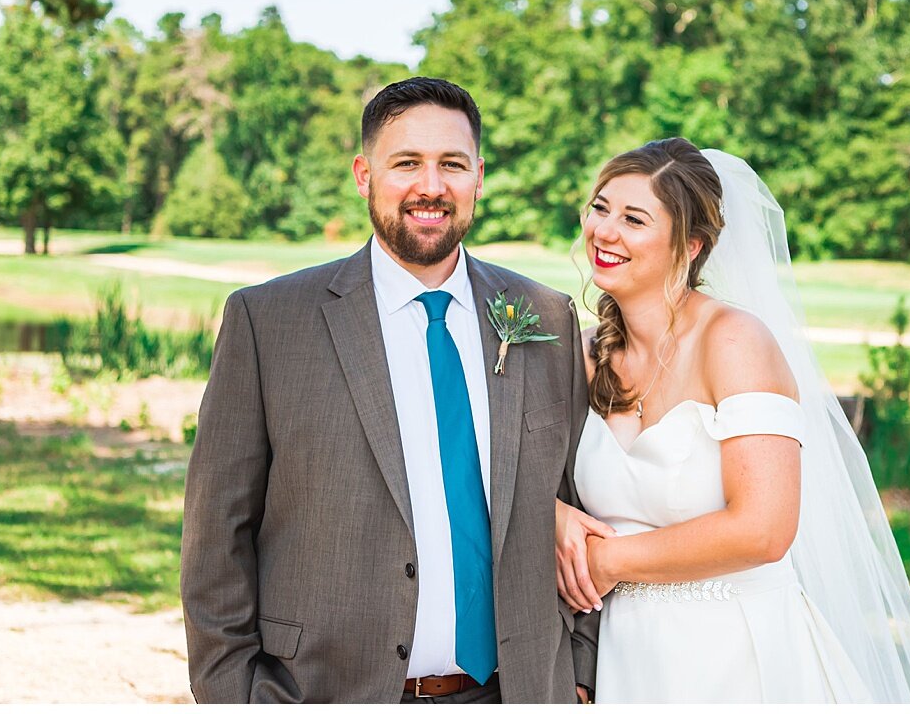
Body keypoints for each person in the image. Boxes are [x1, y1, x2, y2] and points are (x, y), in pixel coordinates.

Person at [181, 77, 598, 703]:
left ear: (478, 176)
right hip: (325, 691)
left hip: (520, 692)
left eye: (451, 164)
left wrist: (581, 679)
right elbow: (217, 533)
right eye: (406, 163)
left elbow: (581, 503)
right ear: (363, 174)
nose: (430, 186)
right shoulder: (269, 322)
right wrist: (234, 695)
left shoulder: (546, 316)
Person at [554, 138, 910, 703]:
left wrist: (609, 559)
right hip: (623, 655)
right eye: (601, 208)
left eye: (634, 218)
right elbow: (527, 474)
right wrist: (554, 516)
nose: (605, 231)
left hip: (736, 653)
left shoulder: (735, 342)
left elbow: (764, 529)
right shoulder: (583, 355)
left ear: (690, 245)